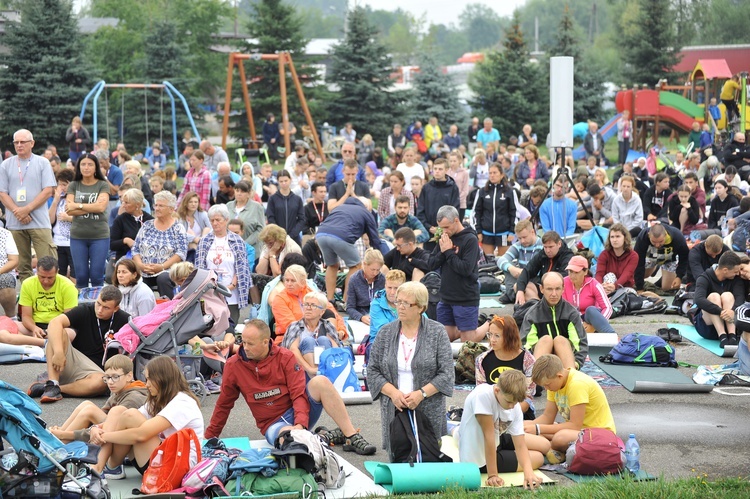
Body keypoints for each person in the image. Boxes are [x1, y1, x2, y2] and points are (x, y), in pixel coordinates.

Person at [205, 319, 376, 454]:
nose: (244, 347)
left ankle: (351, 435)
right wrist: (209, 438)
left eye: (251, 344)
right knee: (291, 440)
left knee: (321, 382)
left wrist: (300, 424)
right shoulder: (234, 365)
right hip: (273, 425)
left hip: (297, 413)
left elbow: (298, 394)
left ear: (266, 342)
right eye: (243, 342)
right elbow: (224, 404)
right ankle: (324, 437)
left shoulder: (285, 357)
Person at [367, 282, 454, 453]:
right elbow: (372, 370)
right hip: (395, 408)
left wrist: (420, 394)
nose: (400, 307)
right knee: (399, 460)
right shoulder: (385, 333)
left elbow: (447, 374)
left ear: (421, 307)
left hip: (428, 408)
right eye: (398, 302)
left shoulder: (437, 332)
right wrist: (393, 393)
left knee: (429, 461)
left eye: (407, 303)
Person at [93, 355, 204, 477]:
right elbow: (123, 419)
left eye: (150, 380)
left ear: (163, 378)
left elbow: (141, 434)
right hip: (161, 459)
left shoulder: (183, 402)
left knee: (129, 415)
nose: (147, 385)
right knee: (118, 411)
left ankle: (104, 467)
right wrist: (97, 428)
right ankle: (106, 467)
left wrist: (104, 436)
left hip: (178, 468)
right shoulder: (159, 400)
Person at [28, 286, 130, 403]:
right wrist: (59, 352)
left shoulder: (125, 319)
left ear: (116, 308)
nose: (99, 310)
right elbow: (55, 322)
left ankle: (54, 388)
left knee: (102, 382)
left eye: (106, 307)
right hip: (74, 360)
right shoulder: (85, 310)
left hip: (96, 372)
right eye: (98, 303)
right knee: (58, 331)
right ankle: (53, 382)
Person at [458, 369, 546, 489]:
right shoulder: (482, 396)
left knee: (544, 445)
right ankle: (455, 431)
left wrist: (529, 473)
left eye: (515, 403)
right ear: (497, 390)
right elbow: (488, 437)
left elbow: (520, 444)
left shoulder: (514, 406)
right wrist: (493, 475)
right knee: (538, 458)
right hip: (480, 457)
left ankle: (456, 431)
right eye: (509, 402)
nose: (511, 406)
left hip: (497, 437)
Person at [48, 354, 147, 446]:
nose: (110, 382)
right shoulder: (120, 388)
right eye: (107, 378)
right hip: (112, 430)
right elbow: (101, 417)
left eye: (115, 377)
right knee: (86, 404)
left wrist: (66, 434)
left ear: (129, 376)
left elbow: (109, 428)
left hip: (124, 439)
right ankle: (59, 434)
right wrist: (63, 432)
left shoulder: (133, 397)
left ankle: (59, 443)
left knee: (90, 410)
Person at [524, 354, 615, 452]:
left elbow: (575, 425)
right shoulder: (553, 383)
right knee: (525, 425)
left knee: (560, 438)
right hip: (578, 432)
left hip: (601, 434)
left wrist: (537, 429)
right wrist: (528, 427)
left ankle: (550, 449)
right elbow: (547, 417)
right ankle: (550, 448)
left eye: (547, 385)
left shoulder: (577, 384)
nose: (546, 389)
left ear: (559, 376)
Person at [0, 129, 58, 281]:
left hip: (39, 221)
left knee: (47, 261)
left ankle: (48, 297)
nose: (19, 145)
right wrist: (17, 211)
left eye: (23, 142)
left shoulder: (42, 162)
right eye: (16, 142)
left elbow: (48, 191)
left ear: (32, 143)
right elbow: (2, 193)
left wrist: (26, 209)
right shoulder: (6, 165)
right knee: (22, 265)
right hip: (15, 222)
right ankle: (27, 298)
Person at [427, 205, 481, 342]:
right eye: (441, 228)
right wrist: (443, 251)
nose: (444, 231)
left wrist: (448, 252)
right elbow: (431, 264)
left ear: (456, 220)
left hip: (465, 298)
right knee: (445, 341)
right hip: (445, 298)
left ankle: (487, 324)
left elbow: (465, 269)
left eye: (446, 227)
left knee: (467, 346)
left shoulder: (470, 239)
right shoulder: (444, 237)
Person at [317, 196, 384, 302]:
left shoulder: (339, 207)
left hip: (321, 234)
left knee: (332, 265)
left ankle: (330, 300)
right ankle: (346, 301)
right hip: (341, 236)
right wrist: (380, 257)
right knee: (356, 266)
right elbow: (375, 239)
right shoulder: (365, 212)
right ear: (366, 207)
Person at [196, 204, 254, 325]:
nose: (215, 223)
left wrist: (232, 285)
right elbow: (200, 267)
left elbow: (242, 267)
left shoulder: (237, 240)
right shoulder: (204, 241)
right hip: (211, 290)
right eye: (212, 220)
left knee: (230, 325)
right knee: (211, 326)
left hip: (231, 291)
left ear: (226, 220)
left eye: (218, 220)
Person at [520, 272, 589, 370]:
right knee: (546, 340)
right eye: (549, 289)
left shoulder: (571, 313)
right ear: (542, 289)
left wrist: (576, 363)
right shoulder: (532, 314)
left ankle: (571, 378)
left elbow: (580, 343)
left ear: (563, 289)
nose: (554, 294)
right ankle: (535, 380)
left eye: (557, 289)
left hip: (564, 362)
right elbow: (525, 346)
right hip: (541, 362)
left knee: (560, 340)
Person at [4, 256, 77, 348]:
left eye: (50, 277)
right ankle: (45, 343)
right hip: (33, 326)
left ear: (57, 272)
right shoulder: (28, 283)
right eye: (42, 277)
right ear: (36, 271)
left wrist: (51, 330)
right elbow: (26, 316)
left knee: (70, 334)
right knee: (5, 326)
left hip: (58, 326)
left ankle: (29, 342)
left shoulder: (68, 286)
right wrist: (34, 328)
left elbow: (69, 318)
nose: (45, 281)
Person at [475, 316, 537, 419]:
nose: (492, 340)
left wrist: (507, 416)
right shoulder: (482, 360)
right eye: (490, 334)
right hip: (491, 414)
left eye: (497, 336)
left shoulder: (528, 360)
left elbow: (527, 399)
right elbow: (480, 393)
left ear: (509, 336)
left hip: (519, 414)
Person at [65, 153, 110, 288]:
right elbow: (69, 210)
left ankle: (98, 306)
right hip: (78, 236)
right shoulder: (73, 185)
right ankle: (83, 307)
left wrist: (78, 205)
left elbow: (101, 207)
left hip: (99, 236)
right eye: (83, 164)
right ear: (78, 167)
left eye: (90, 164)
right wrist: (93, 207)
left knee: (97, 276)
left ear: (96, 167)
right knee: (81, 276)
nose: (86, 167)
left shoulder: (103, 185)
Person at [132, 191, 188, 299]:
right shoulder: (147, 225)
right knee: (136, 279)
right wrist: (140, 265)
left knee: (163, 278)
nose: (157, 208)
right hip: (144, 270)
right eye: (156, 205)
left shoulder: (177, 228)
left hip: (167, 271)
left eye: (161, 206)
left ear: (171, 209)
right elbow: (135, 249)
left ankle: (167, 311)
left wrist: (162, 267)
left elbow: (181, 253)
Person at [281, 291, 344, 376]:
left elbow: (336, 349)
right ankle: (317, 378)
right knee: (309, 341)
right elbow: (292, 351)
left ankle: (321, 377)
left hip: (326, 370)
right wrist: (310, 369)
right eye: (306, 304)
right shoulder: (295, 326)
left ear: (322, 312)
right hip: (300, 370)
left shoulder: (327, 325)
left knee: (323, 340)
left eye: (313, 305)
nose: (308, 308)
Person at [693, 251, 743, 347]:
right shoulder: (704, 277)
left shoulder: (735, 279)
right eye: (735, 271)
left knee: (727, 295)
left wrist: (732, 311)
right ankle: (722, 336)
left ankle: (732, 335)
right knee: (714, 296)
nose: (737, 274)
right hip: (708, 327)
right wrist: (721, 311)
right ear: (725, 270)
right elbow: (698, 299)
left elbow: (740, 297)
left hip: (730, 323)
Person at [515, 231, 574, 305]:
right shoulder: (543, 254)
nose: (548, 250)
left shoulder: (568, 256)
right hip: (544, 288)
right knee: (518, 286)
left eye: (550, 247)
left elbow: (565, 277)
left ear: (559, 244)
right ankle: (538, 307)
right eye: (545, 247)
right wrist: (520, 290)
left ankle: (539, 308)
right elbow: (527, 270)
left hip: (557, 290)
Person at [473, 162, 516, 257]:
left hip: (504, 233)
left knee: (503, 261)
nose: (492, 175)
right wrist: (478, 231)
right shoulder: (482, 191)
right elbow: (476, 212)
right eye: (490, 173)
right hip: (486, 233)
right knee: (488, 262)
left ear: (501, 175)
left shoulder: (510, 191)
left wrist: (512, 231)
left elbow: (514, 212)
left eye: (495, 173)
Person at [562, 256, 615, 333]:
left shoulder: (594, 284)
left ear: (585, 272)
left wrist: (595, 325)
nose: (572, 275)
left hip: (591, 320)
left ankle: (613, 338)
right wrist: (580, 324)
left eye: (576, 272)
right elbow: (562, 308)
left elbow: (608, 308)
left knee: (590, 310)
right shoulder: (563, 283)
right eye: (570, 271)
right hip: (570, 320)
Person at [633, 223, 689, 292]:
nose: (657, 245)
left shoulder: (677, 236)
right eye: (653, 242)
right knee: (637, 276)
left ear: (665, 235)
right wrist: (639, 288)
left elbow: (684, 258)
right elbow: (638, 262)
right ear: (649, 235)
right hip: (651, 257)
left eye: (661, 241)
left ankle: (663, 278)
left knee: (667, 288)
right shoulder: (642, 237)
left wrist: (679, 276)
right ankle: (655, 268)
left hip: (669, 259)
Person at [497, 219, 543, 303]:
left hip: (536, 278)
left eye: (524, 237)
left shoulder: (542, 245)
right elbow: (501, 259)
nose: (522, 241)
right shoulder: (518, 246)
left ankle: (514, 295)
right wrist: (512, 269)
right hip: (522, 277)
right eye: (519, 238)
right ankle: (514, 294)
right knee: (508, 266)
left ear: (532, 232)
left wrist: (526, 273)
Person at [418, 159, 460, 251]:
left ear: (446, 170)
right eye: (435, 168)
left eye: (440, 169)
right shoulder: (426, 188)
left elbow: (455, 211)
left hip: (447, 233)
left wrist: (442, 228)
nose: (437, 171)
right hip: (429, 233)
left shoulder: (453, 188)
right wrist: (429, 227)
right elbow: (420, 211)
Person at [109, 188, 153, 262]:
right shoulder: (120, 220)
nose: (123, 205)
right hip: (125, 259)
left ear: (137, 205)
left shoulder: (149, 220)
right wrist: (125, 240)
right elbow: (112, 245)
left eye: (127, 203)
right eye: (123, 202)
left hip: (146, 258)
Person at [594, 223, 639, 294]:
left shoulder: (633, 256)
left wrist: (615, 286)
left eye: (618, 236)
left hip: (625, 287)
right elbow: (599, 274)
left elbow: (626, 274)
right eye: (612, 237)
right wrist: (601, 286)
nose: (614, 240)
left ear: (625, 238)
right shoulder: (604, 254)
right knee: (610, 276)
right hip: (606, 288)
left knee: (632, 294)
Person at [346, 248, 385, 325]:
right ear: (364, 264)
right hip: (360, 315)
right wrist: (361, 317)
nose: (375, 273)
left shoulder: (382, 279)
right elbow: (350, 307)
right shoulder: (354, 279)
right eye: (372, 269)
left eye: (378, 270)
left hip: (378, 315)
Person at [49, 169, 75, 282]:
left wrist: (68, 218)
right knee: (60, 273)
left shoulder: (76, 198)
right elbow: (50, 220)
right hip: (57, 242)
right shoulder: (58, 200)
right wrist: (55, 200)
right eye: (59, 184)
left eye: (64, 185)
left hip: (73, 242)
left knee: (75, 272)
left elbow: (84, 220)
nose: (62, 188)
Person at [177, 191, 211, 263]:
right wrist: (194, 238)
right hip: (186, 243)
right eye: (190, 202)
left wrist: (201, 240)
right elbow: (179, 233)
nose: (193, 204)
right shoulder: (180, 216)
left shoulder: (203, 214)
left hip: (202, 242)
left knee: (207, 229)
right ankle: (198, 261)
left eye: (196, 202)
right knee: (190, 237)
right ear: (186, 203)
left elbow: (211, 229)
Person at [0, 223, 18, 316]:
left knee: (5, 279)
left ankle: (11, 317)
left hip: (3, 273)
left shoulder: (5, 234)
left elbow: (14, 261)